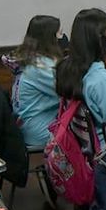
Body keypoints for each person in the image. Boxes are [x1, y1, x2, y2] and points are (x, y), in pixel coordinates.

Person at [55, 8, 106, 144]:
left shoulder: (66, 69)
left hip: (84, 148)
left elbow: (92, 79)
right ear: (99, 39)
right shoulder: (101, 81)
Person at [6, 15, 65, 148]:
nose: (63, 37)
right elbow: (69, 89)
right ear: (50, 38)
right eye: (60, 33)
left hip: (29, 124)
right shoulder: (40, 67)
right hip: (40, 131)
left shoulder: (31, 59)